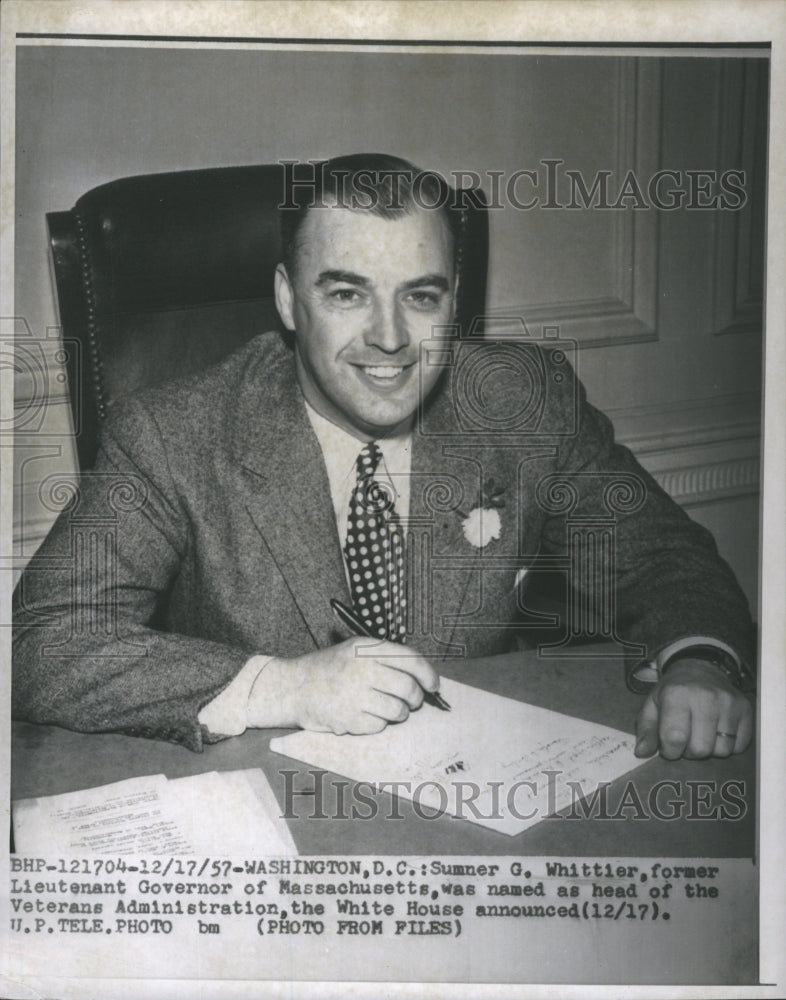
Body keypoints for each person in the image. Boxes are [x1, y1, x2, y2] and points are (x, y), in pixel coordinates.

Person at [12, 153, 754, 760]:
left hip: (479, 788)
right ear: (286, 298)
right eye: (347, 294)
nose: (390, 338)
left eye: (421, 298)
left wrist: (700, 658)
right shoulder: (174, 433)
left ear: (454, 302)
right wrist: (284, 687)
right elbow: (46, 642)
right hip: (264, 809)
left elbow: (664, 556)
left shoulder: (528, 401)